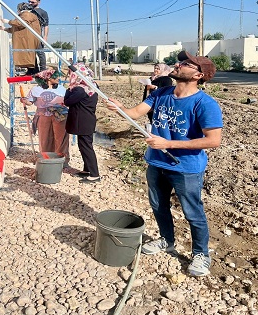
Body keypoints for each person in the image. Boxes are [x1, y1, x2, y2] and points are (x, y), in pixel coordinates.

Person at [106, 51, 223, 276]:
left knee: (193, 213)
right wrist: (120, 108)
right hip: (156, 162)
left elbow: (213, 140)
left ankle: (201, 253)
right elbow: (135, 113)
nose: (178, 64)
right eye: (181, 61)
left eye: (187, 64)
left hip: (186, 168)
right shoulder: (161, 93)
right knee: (159, 206)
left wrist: (168, 143)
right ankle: (166, 240)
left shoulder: (205, 104)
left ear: (199, 75)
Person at [20, 68, 70, 164]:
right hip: (43, 115)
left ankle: (62, 161)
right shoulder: (36, 89)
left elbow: (67, 101)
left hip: (60, 116)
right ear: (48, 78)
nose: (58, 78)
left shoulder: (62, 88)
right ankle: (46, 159)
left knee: (61, 139)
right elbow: (30, 102)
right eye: (55, 77)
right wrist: (25, 101)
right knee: (45, 138)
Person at [64, 63, 100, 183]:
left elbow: (67, 101)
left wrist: (69, 90)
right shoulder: (93, 86)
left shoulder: (80, 89)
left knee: (86, 147)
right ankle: (87, 170)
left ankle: (94, 174)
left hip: (82, 121)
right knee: (84, 145)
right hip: (87, 120)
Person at [0, 3, 41, 75]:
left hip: (27, 39)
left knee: (29, 55)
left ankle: (34, 71)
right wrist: (5, 29)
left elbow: (21, 24)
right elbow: (17, 28)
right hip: (25, 39)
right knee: (28, 55)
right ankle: (31, 71)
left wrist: (8, 21)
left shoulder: (27, 14)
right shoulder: (25, 15)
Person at [28, 0, 49, 71]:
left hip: (38, 36)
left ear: (38, 2)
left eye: (32, 2)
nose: (30, 3)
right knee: (30, 54)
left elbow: (46, 25)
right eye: (29, 2)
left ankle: (43, 71)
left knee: (40, 53)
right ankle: (34, 70)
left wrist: (45, 37)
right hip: (28, 36)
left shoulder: (43, 12)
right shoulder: (28, 11)